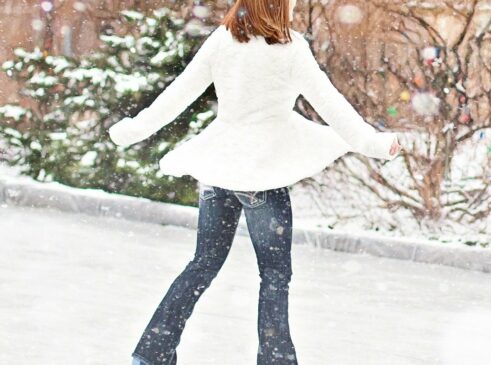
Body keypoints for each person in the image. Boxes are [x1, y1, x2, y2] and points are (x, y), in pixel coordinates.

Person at [110, 0, 401, 364]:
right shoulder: (290, 49)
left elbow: (178, 95)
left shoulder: (222, 40)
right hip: (261, 174)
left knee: (202, 263)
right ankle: (275, 359)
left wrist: (134, 129)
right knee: (275, 274)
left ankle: (152, 353)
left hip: (220, 169)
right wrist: (372, 143)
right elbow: (332, 107)